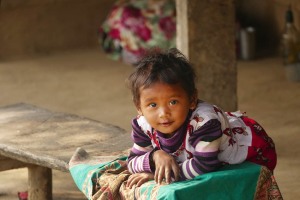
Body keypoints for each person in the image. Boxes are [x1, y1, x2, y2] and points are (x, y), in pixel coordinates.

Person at [125, 47, 277, 189]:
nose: (163, 113)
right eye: (152, 105)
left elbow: (204, 166)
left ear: (192, 100)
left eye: (173, 102)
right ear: (139, 107)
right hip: (202, 156)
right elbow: (131, 162)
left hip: (249, 154)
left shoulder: (205, 123)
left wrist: (156, 175)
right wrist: (155, 156)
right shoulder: (142, 124)